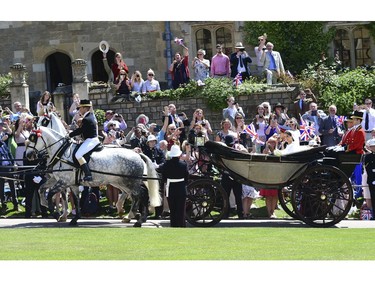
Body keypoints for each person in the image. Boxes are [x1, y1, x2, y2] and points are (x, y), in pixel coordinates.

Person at [68, 99, 100, 182]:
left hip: (91, 140)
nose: (79, 110)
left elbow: (80, 131)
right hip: (89, 139)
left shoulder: (86, 119)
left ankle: (88, 174)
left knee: (78, 154)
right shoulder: (89, 116)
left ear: (85, 108)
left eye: (80, 108)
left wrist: (69, 135)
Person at [160, 144, 189, 227]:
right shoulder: (183, 164)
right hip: (181, 188)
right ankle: (181, 224)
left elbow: (164, 177)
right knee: (181, 209)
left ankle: (174, 225)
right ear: (179, 155)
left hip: (171, 187)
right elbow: (186, 177)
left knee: (172, 209)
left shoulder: (166, 164)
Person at [221, 135, 246, 219]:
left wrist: (239, 149)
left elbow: (245, 152)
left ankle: (241, 214)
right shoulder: (223, 149)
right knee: (225, 196)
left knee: (238, 196)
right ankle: (225, 213)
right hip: (226, 175)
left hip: (236, 175)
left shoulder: (238, 148)